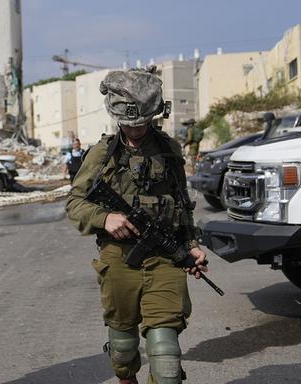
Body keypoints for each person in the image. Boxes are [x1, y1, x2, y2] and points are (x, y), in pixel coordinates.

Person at [65, 67, 207, 384]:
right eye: (129, 123)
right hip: (118, 259)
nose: (136, 129)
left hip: (165, 258)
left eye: (142, 122)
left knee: (166, 355)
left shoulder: (169, 151)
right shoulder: (101, 154)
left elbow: (182, 203)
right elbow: (75, 203)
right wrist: (106, 218)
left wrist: (192, 245)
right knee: (123, 348)